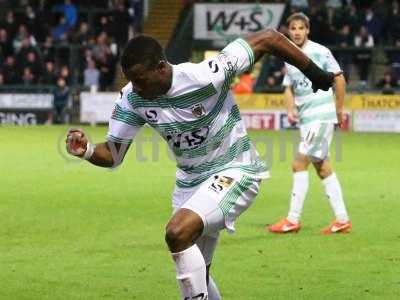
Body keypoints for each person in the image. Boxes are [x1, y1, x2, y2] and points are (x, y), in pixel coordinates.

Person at [65, 30, 337, 299]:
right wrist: (86, 150)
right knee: (199, 275)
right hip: (190, 183)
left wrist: (313, 72)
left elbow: (268, 38)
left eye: (140, 80)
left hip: (236, 169)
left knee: (177, 233)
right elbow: (113, 153)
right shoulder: (132, 98)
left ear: (161, 68)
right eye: (131, 81)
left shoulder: (207, 75)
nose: (136, 88)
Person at [267, 13, 351, 235]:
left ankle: (292, 220)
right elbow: (288, 87)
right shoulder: (290, 56)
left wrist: (339, 109)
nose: (296, 32)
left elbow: (339, 79)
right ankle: (342, 220)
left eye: (300, 28)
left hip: (320, 117)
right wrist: (290, 108)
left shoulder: (320, 52)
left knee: (298, 164)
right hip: (307, 120)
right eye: (292, 28)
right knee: (323, 169)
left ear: (308, 30)